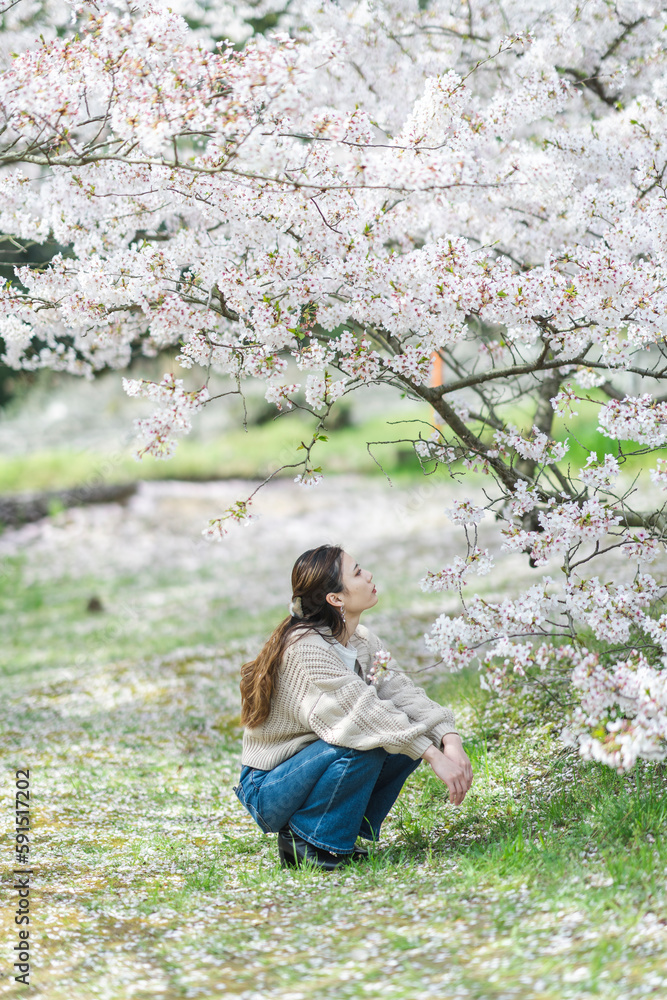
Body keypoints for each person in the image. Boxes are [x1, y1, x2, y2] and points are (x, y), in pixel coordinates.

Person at [234, 544, 473, 870]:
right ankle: (306, 841)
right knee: (370, 739)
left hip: (308, 769)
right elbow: (359, 715)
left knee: (404, 732)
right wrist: (432, 756)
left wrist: (449, 740)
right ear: (336, 599)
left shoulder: (361, 640)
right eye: (357, 572)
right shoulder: (306, 649)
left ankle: (333, 835)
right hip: (269, 788)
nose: (369, 574)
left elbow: (404, 694)